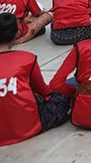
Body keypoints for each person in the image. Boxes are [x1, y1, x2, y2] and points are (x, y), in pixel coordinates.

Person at [0, 12, 71, 146]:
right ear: (16, 34)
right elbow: (45, 92)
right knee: (63, 97)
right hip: (26, 126)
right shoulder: (27, 59)